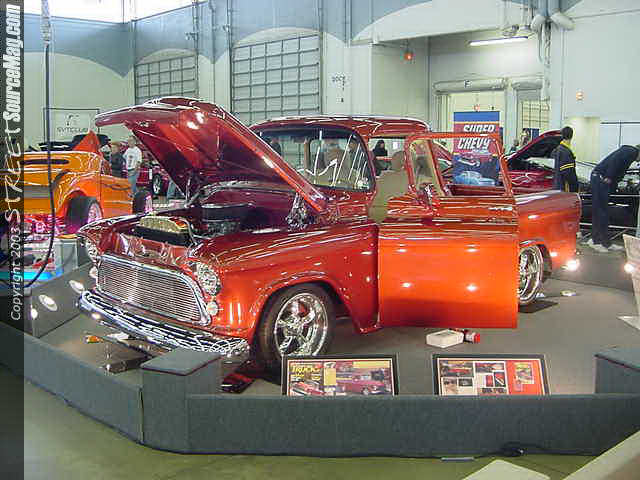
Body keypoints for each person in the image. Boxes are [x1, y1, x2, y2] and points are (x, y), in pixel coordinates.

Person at [588, 144, 640, 252]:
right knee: (600, 212)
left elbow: (620, 168)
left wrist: (613, 183)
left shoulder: (629, 151)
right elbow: (615, 161)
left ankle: (605, 242)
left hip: (600, 178)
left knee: (603, 212)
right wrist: (609, 176)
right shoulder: (631, 151)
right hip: (600, 179)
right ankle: (596, 241)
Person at [551, 126, 578, 192]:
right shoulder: (566, 152)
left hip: (558, 186)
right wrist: (575, 188)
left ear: (562, 136)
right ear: (572, 136)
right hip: (565, 190)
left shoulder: (558, 149)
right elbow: (568, 174)